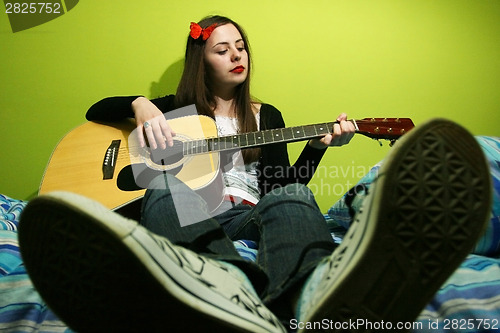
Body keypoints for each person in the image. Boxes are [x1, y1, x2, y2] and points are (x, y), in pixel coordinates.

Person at [19, 15, 492, 332]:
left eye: (240, 47)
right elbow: (98, 109)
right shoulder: (173, 110)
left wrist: (316, 149)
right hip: (190, 212)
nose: (235, 55)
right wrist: (141, 106)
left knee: (290, 196)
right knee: (165, 183)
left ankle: (310, 299)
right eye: (222, 49)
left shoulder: (267, 117)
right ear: (200, 58)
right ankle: (224, 283)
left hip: (244, 213)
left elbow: (282, 187)